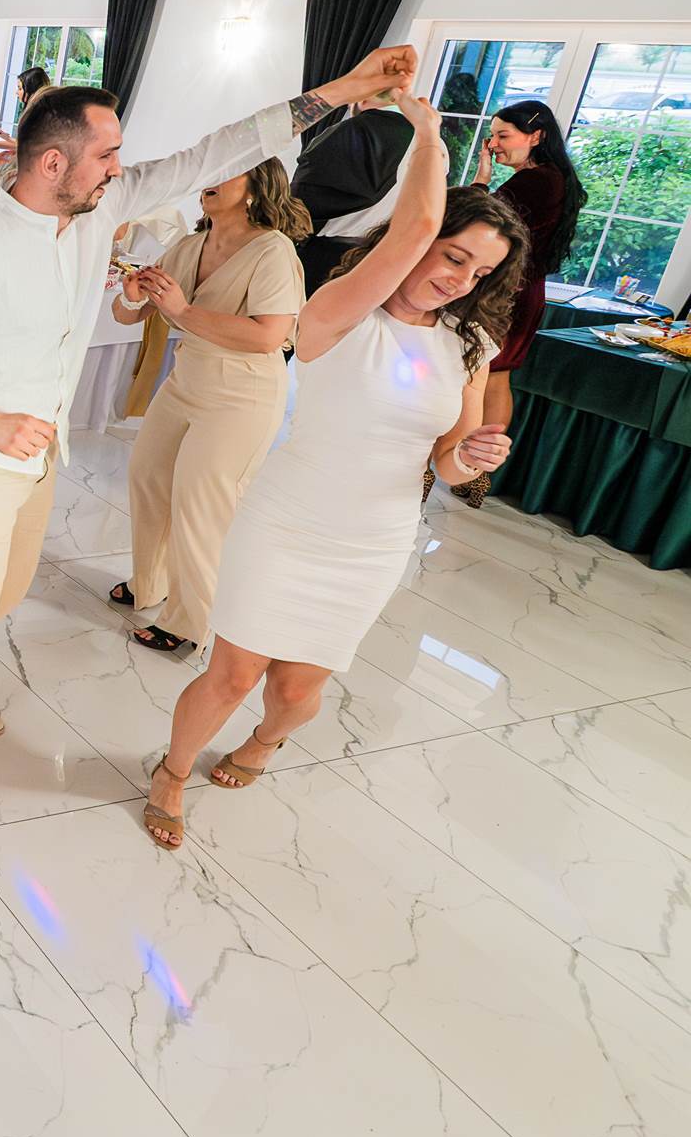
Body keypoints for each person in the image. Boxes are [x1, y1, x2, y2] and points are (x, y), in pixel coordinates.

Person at [0, 47, 421, 825]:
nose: (119, 168)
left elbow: (218, 150)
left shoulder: (98, 211)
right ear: (53, 162)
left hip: (42, 450)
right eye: (107, 154)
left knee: (9, 590)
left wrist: (347, 88)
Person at [144, 98, 527, 850]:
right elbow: (414, 226)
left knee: (297, 691)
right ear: (421, 241)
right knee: (233, 675)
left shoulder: (468, 345)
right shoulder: (339, 312)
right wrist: (428, 137)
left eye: (481, 271)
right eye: (455, 256)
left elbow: (447, 463)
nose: (462, 279)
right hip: (286, 521)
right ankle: (172, 771)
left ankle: (264, 743)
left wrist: (473, 457)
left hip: (374, 541)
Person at [109, 158, 309, 652]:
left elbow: (269, 336)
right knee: (147, 475)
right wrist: (132, 296)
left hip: (243, 392)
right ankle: (149, 582)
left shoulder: (273, 250)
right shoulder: (190, 245)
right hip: (188, 378)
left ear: (255, 187)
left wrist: (181, 310)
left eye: (227, 172)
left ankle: (189, 622)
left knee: (200, 503)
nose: (210, 182)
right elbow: (130, 314)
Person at [441, 99, 586, 506]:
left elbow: (471, 220)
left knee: (477, 376)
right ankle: (474, 475)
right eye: (492, 136)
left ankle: (457, 465)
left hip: (506, 294)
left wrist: (482, 180)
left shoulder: (535, 182)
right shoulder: (553, 179)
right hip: (524, 291)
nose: (493, 144)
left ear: (536, 136)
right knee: (495, 376)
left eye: (503, 135)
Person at [289, 92, 416, 293]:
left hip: (323, 257)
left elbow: (302, 195)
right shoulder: (434, 146)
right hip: (379, 262)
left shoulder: (356, 130)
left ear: (362, 97)